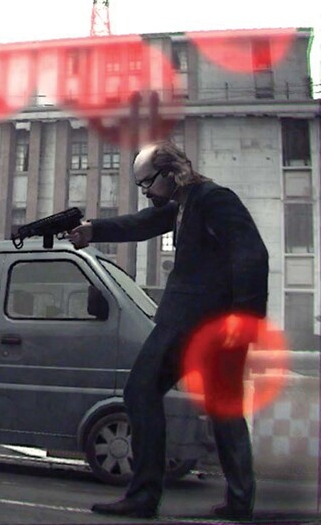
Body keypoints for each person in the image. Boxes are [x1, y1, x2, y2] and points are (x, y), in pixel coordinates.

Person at [69, 140, 267, 520]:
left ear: (171, 171)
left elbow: (252, 255)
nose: (144, 191)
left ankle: (144, 496)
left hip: (193, 320)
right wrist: (93, 230)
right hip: (208, 321)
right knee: (222, 408)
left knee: (140, 390)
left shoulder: (213, 199)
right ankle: (240, 503)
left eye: (147, 183)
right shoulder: (183, 205)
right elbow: (142, 223)